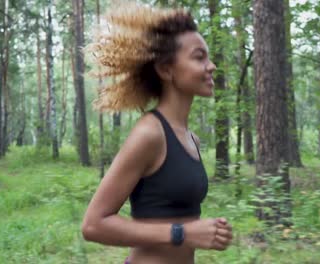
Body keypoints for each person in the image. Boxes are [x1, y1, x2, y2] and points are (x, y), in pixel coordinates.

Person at [81, 2, 233, 264]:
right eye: (199, 57)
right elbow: (93, 225)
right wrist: (182, 233)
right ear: (166, 70)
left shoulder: (191, 138)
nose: (211, 66)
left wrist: (210, 233)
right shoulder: (149, 134)